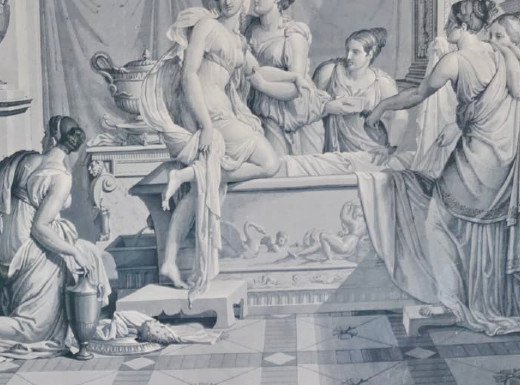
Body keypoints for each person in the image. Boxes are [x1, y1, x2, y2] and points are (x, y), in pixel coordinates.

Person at [358, 0, 520, 337]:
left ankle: (452, 302)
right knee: (485, 229)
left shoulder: (454, 60)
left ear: (460, 25)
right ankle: (487, 302)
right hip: (504, 156)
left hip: (476, 157)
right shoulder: (500, 53)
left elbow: (417, 94)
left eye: (448, 22)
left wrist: (383, 105)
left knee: (438, 221)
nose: (445, 29)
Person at [141, 0, 303, 294]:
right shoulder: (207, 26)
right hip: (205, 112)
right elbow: (190, 74)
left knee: (202, 188)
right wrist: (205, 124)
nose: (228, 0)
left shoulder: (239, 42)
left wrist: (295, 77)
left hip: (222, 113)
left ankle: (170, 258)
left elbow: (260, 75)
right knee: (269, 162)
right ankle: (196, 174)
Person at [0, 116, 111, 363]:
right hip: (27, 251)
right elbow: (40, 229)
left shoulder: (26, 160)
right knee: (34, 327)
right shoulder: (60, 177)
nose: (42, 138)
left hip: (2, 249)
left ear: (52, 139)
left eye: (44, 134)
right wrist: (72, 253)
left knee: (77, 252)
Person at [244, 0, 324, 154]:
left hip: (297, 114)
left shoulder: (294, 34)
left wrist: (262, 85)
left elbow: (295, 90)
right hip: (263, 109)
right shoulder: (248, 29)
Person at [313, 28, 405, 161]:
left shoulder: (382, 82)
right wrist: (327, 107)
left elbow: (400, 113)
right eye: (347, 51)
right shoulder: (329, 72)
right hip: (334, 150)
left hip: (372, 149)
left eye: (355, 52)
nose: (348, 57)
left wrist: (393, 144)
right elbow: (309, 103)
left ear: (369, 54)